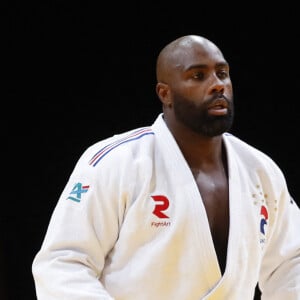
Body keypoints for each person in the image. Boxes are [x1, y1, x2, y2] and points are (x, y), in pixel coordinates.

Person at [32, 34, 300, 299]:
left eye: (222, 73)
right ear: (165, 93)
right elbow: (63, 263)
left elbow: (291, 264)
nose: (217, 85)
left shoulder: (260, 170)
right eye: (198, 76)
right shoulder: (117, 162)